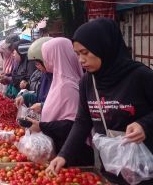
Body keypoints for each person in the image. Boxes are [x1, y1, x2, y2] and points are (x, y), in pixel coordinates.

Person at [47, 18, 153, 185]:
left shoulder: (140, 76)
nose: (81, 60)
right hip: (111, 170)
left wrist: (145, 125)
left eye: (85, 52)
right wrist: (64, 155)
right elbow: (82, 121)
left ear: (104, 47)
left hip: (145, 170)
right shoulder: (88, 82)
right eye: (77, 54)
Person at [26, 38, 94, 166]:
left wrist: (41, 126)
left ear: (57, 57)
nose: (46, 60)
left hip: (72, 156)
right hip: (63, 151)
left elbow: (75, 125)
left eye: (48, 56)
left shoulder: (67, 86)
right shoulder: (59, 81)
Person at [15, 37, 53, 112]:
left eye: (38, 63)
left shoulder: (65, 82)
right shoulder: (45, 75)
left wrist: (42, 106)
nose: (37, 67)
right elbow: (40, 97)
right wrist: (25, 96)